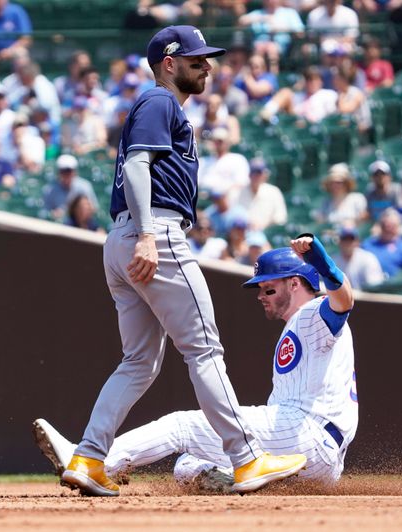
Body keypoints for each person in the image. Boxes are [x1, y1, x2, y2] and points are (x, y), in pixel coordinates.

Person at [57, 25, 309, 498]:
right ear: (168, 64)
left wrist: (139, 234)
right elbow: (136, 166)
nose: (207, 67)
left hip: (124, 236)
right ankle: (247, 459)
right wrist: (150, 235)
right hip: (153, 234)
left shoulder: (163, 107)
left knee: (139, 361)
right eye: (196, 61)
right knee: (204, 351)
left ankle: (89, 457)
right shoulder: (160, 101)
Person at [34, 236, 358, 492]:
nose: (261, 295)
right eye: (260, 289)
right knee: (188, 465)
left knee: (182, 426)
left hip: (308, 435)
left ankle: (91, 460)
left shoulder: (314, 313)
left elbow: (344, 301)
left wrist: (319, 260)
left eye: (269, 288)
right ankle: (242, 482)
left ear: (296, 283)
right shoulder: (303, 322)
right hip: (316, 459)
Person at [238, 0, 304, 73]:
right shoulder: (258, 13)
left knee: (271, 48)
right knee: (260, 48)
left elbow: (300, 33)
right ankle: (257, 76)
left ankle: (273, 77)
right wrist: (262, 18)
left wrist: (280, 28)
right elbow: (241, 21)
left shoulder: (289, 13)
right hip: (258, 46)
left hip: (282, 46)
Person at [362, 208, 402, 278]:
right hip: (368, 284)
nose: (388, 229)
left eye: (392, 226)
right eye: (385, 226)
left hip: (394, 285)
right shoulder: (368, 244)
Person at [198, 127, 250, 201]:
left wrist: (222, 192)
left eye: (220, 141)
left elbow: (242, 182)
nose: (217, 143)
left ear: (228, 142)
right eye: (215, 141)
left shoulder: (238, 159)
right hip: (205, 198)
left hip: (228, 201)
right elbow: (197, 183)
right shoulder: (202, 161)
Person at [42, 154, 99, 222]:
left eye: (69, 171)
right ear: (58, 172)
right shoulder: (50, 189)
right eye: (63, 171)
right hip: (59, 225)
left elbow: (94, 208)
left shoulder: (84, 186)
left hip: (80, 224)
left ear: (75, 172)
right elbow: (45, 211)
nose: (66, 174)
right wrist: (53, 214)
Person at [236, 158, 288, 231]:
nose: (255, 176)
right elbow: (234, 216)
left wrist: (263, 225)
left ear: (265, 175)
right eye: (253, 172)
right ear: (248, 174)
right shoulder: (239, 192)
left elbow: (280, 218)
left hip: (268, 233)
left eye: (258, 173)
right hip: (244, 233)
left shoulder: (274, 191)